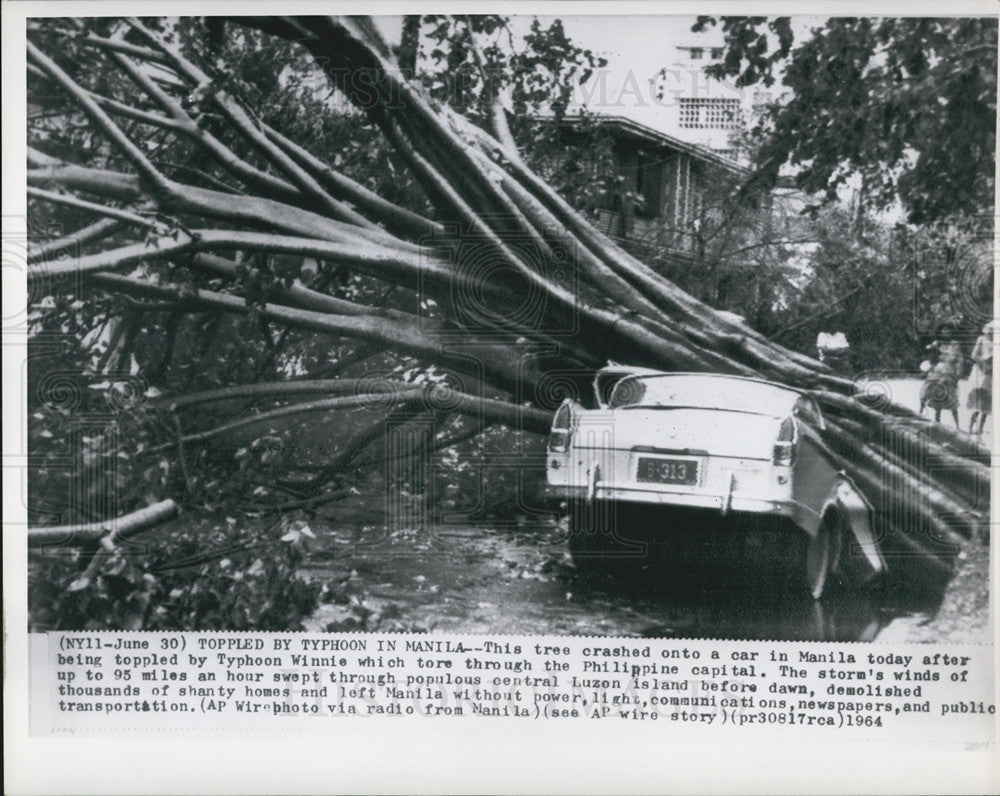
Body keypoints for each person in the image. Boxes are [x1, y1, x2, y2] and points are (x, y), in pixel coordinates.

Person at [919, 323, 963, 427]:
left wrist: (958, 373)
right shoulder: (937, 344)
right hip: (938, 370)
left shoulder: (955, 344)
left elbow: (960, 359)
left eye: (948, 330)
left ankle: (957, 425)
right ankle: (923, 414)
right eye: (944, 330)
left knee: (950, 396)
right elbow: (929, 354)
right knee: (930, 389)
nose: (946, 332)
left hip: (950, 370)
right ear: (940, 332)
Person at [966, 321, 994, 436]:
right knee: (978, 397)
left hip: (991, 372)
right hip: (980, 370)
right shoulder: (981, 339)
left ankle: (980, 429)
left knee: (987, 400)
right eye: (990, 331)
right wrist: (983, 361)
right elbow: (974, 355)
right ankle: (970, 427)